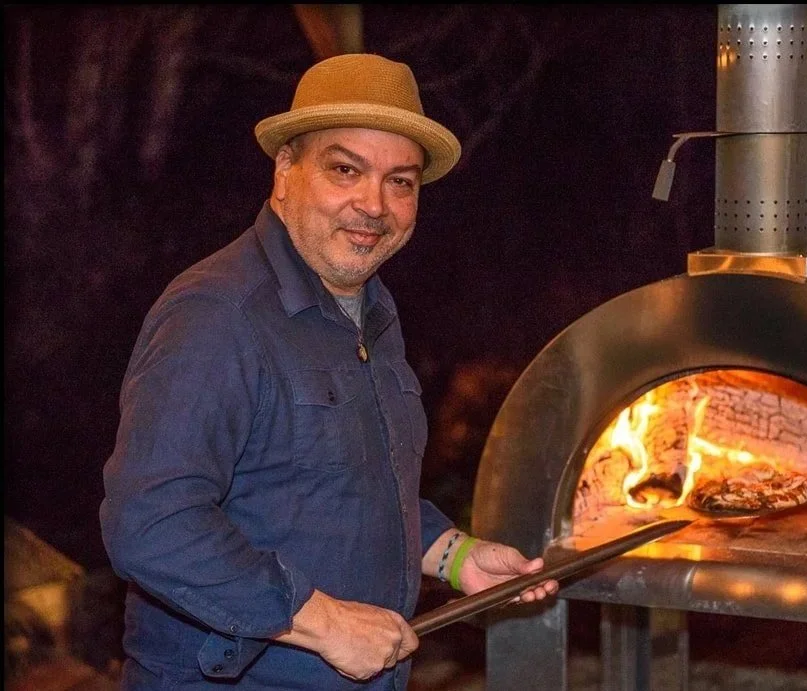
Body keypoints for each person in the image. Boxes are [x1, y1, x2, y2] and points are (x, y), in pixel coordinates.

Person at [100, 52, 558, 690]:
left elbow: (345, 487)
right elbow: (151, 522)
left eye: (400, 181)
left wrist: (456, 556)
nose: (373, 204)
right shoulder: (220, 313)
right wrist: (321, 621)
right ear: (285, 170)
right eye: (346, 170)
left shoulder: (371, 311)